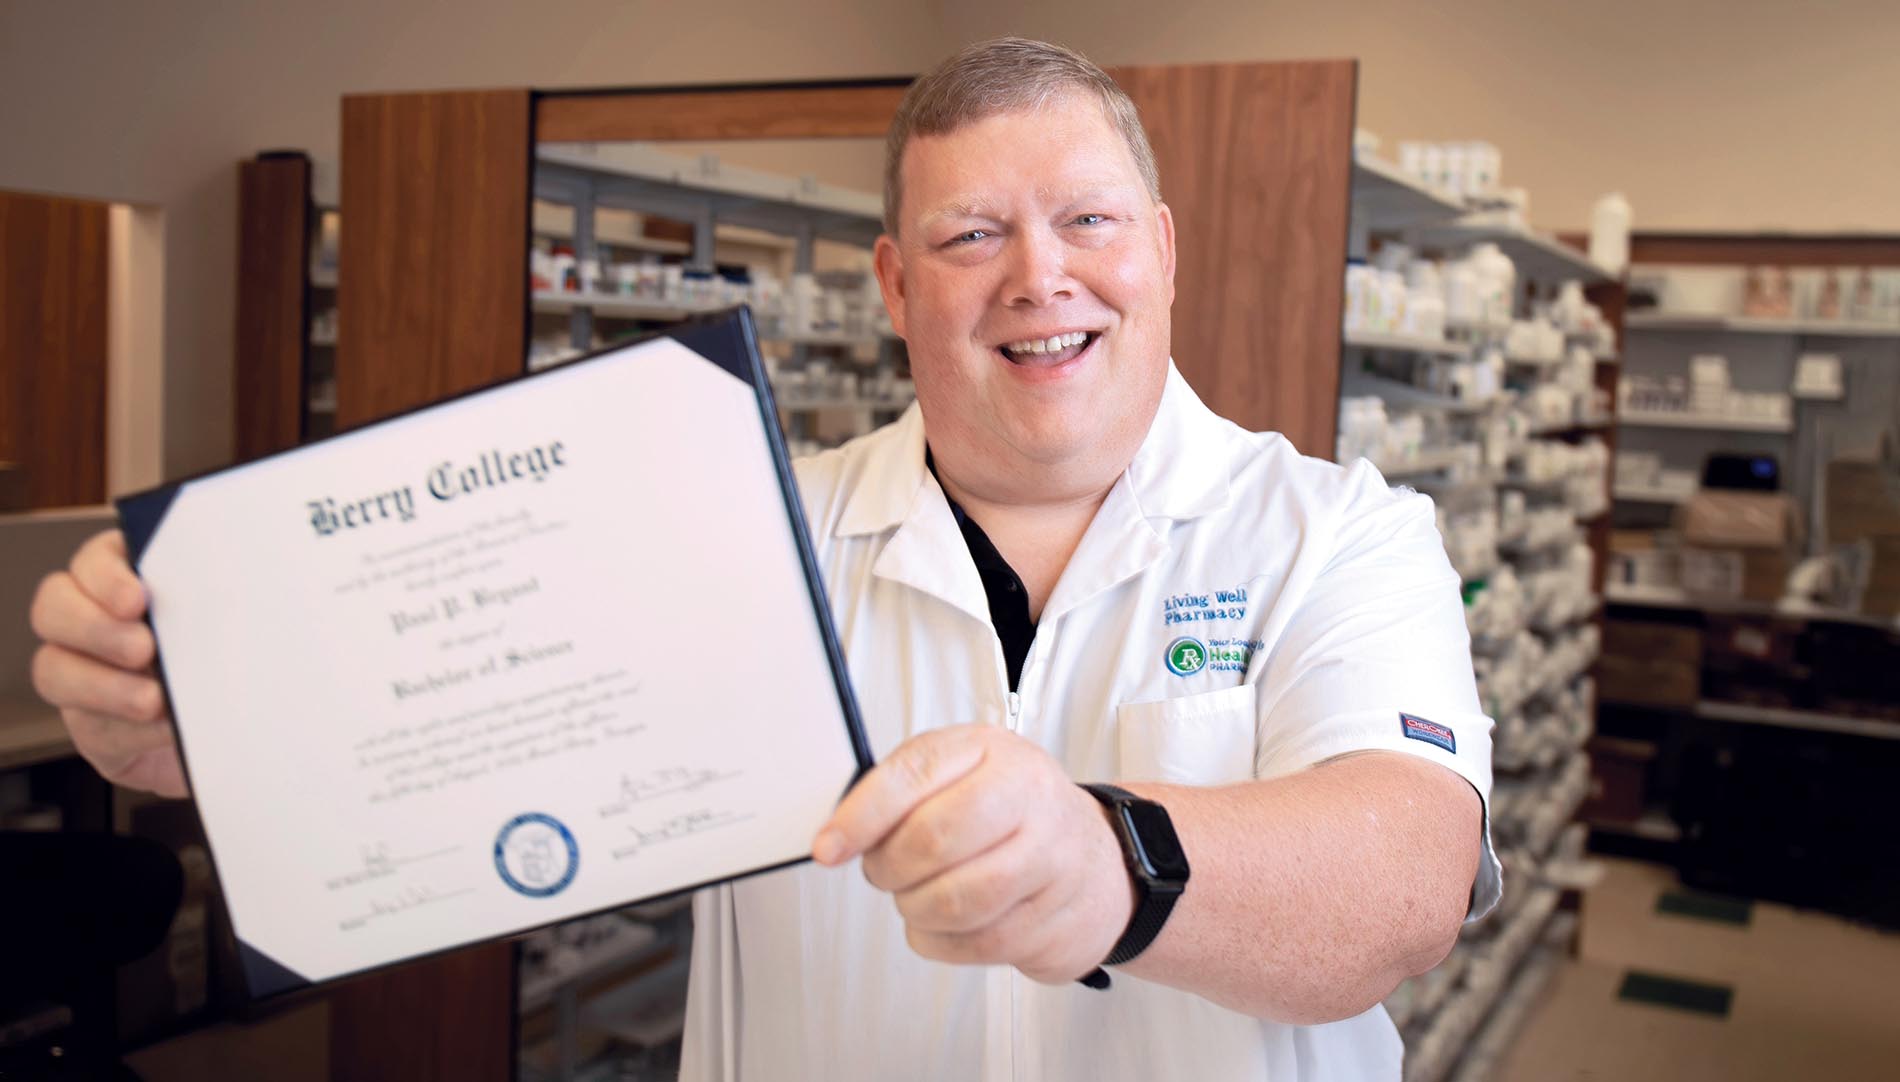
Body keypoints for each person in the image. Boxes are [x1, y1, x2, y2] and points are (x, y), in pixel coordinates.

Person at [30, 38, 1499, 1081]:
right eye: (972, 232)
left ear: (1163, 250)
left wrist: (1114, 860)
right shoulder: (736, 533)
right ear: (894, 282)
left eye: (1088, 221)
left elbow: (1404, 879)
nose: (1039, 275)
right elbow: (448, 741)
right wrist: (204, 731)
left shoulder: (1338, 532)